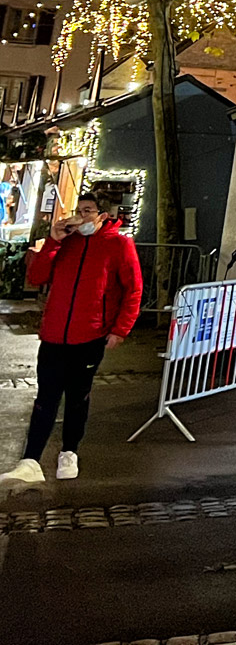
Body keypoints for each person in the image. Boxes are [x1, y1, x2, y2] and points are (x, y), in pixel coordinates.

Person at [2, 186, 143, 484]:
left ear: (103, 215)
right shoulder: (67, 242)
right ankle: (30, 459)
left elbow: (133, 289)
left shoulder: (118, 245)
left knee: (77, 398)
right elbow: (37, 277)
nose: (80, 218)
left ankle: (69, 451)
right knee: (45, 398)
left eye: (87, 212)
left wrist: (120, 329)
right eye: (78, 211)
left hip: (90, 336)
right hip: (54, 335)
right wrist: (52, 242)